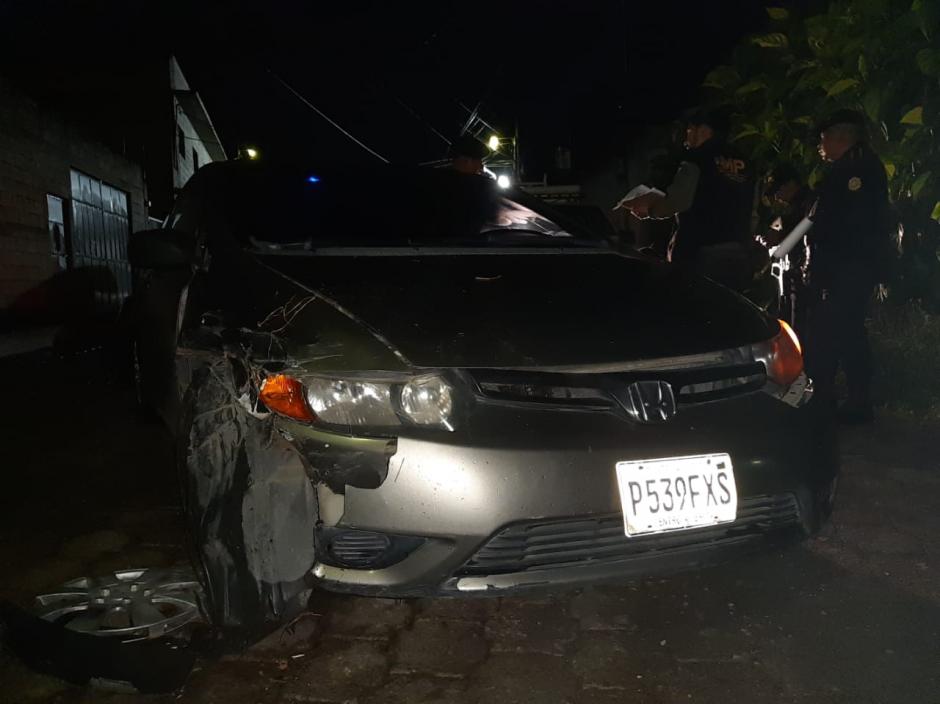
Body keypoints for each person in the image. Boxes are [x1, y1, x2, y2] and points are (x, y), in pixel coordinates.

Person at [804, 109, 892, 424]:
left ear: (841, 137)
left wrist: (825, 265)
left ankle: (837, 400)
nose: (820, 145)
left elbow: (845, 222)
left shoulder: (855, 169)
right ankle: (852, 399)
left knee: (835, 330)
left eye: (823, 138)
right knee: (847, 330)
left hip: (847, 265)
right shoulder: (857, 164)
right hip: (852, 265)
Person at [620, 109, 756, 290]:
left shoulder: (697, 158)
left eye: (690, 130)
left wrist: (650, 209)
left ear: (704, 130)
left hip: (699, 252)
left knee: (695, 308)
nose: (686, 138)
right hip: (737, 252)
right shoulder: (746, 163)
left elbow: (679, 200)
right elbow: (753, 210)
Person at [760, 163, 816, 333]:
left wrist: (776, 238)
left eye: (779, 190)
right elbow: (780, 226)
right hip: (799, 273)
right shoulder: (796, 206)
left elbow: (793, 232)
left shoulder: (808, 204)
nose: (777, 197)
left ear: (791, 184)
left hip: (807, 275)